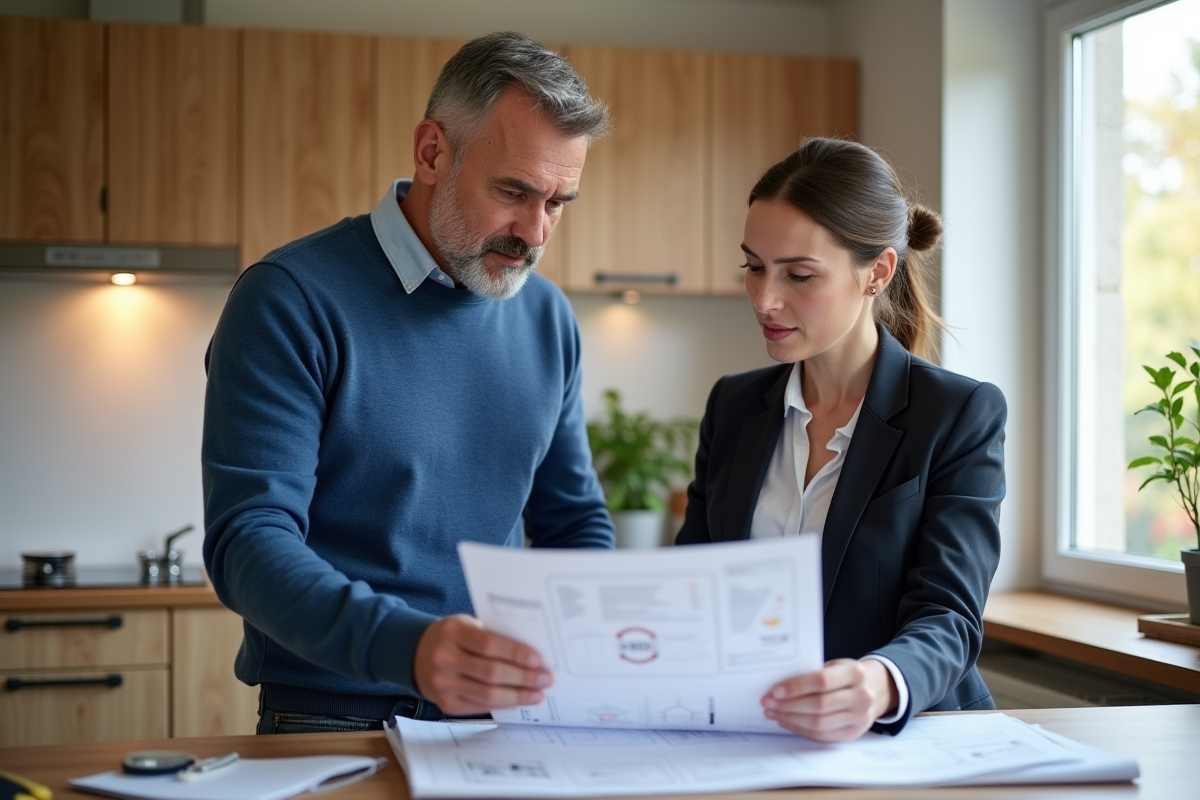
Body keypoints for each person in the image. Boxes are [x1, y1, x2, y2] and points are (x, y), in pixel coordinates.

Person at [201, 32, 614, 735]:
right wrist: (411, 649)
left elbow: (573, 522)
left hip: (504, 721)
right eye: (513, 191)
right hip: (332, 719)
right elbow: (249, 540)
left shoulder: (547, 317)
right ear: (431, 153)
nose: (535, 232)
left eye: (557, 202)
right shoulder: (290, 298)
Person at [676, 137, 1005, 742]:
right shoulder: (733, 405)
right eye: (753, 267)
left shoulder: (956, 413)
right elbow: (692, 585)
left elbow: (950, 616)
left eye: (799, 275)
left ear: (877, 273)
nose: (765, 299)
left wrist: (877, 682)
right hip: (755, 738)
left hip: (908, 742)